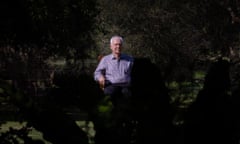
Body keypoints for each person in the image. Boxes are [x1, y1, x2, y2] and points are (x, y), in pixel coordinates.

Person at [94, 35, 134, 105]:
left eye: (120, 44)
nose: (118, 46)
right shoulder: (105, 60)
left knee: (130, 98)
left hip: (126, 87)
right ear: (111, 47)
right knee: (107, 97)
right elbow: (97, 73)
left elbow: (136, 72)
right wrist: (100, 77)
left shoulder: (129, 59)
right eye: (116, 44)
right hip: (111, 86)